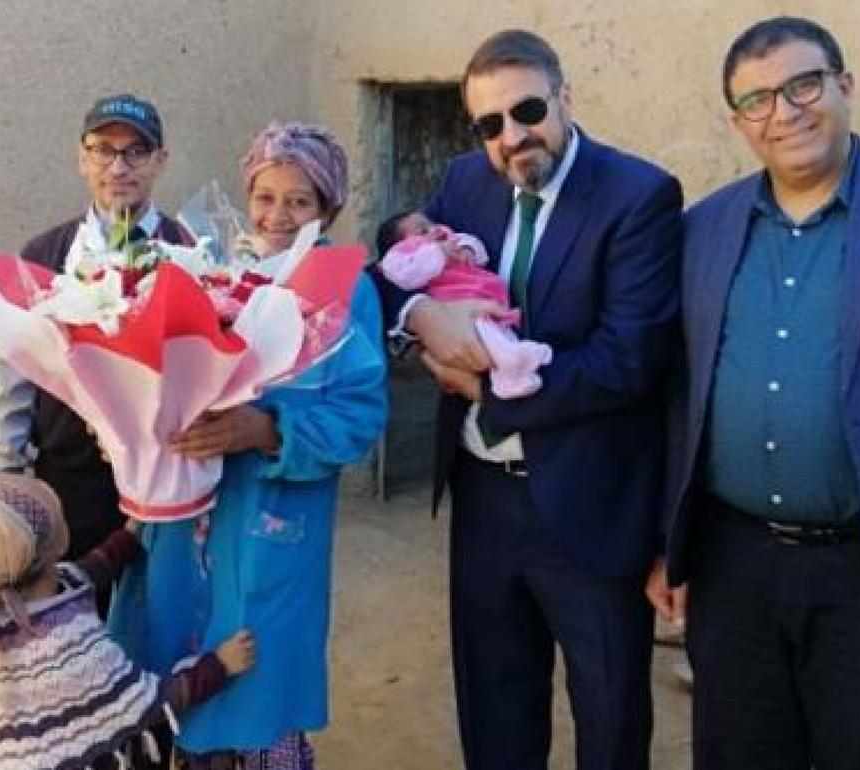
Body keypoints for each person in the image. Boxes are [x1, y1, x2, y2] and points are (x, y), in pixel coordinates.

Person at [646, 16, 860, 769]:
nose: (785, 112)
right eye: (758, 99)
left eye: (803, 85)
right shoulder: (704, 229)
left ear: (844, 86)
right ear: (737, 121)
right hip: (734, 571)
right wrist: (672, 545)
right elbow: (677, 398)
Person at [372, 29, 682, 770]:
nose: (512, 136)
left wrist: (482, 388)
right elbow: (396, 274)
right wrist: (420, 321)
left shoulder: (638, 195)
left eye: (528, 110)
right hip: (483, 498)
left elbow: (626, 361)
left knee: (608, 718)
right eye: (489, 124)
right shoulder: (463, 183)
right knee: (494, 707)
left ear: (565, 98)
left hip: (589, 507)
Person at [132, 121, 387, 770]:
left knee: (259, 693)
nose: (278, 215)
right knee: (178, 678)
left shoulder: (341, 285)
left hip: (273, 523)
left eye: (299, 201)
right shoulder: (217, 268)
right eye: (266, 196)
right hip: (186, 518)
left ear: (326, 208)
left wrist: (270, 430)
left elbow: (360, 414)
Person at [0, 474, 255, 770]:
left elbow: (87, 573)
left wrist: (131, 535)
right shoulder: (62, 645)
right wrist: (219, 665)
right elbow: (148, 703)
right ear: (50, 545)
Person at [0, 93, 194, 562]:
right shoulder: (43, 254)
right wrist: (8, 472)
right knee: (71, 613)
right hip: (68, 476)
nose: (118, 167)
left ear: (160, 161)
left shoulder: (190, 251)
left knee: (153, 622)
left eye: (136, 151)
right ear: (82, 158)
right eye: (103, 150)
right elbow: (11, 371)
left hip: (164, 480)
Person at [377, 210, 552, 398]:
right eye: (423, 231)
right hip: (457, 306)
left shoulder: (452, 239)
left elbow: (476, 246)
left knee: (499, 331)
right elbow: (396, 275)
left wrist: (469, 249)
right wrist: (437, 254)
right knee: (486, 337)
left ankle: (518, 364)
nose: (434, 229)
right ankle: (508, 372)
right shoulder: (405, 258)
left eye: (431, 224)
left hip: (486, 297)